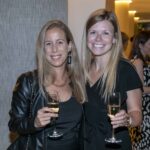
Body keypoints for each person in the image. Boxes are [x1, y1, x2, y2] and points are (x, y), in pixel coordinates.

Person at [7, 20, 86, 150]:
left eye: (60, 42)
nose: (54, 49)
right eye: (48, 44)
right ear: (42, 49)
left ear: (69, 46)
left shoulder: (79, 82)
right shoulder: (28, 81)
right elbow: (14, 124)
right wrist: (35, 123)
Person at [80, 9, 142, 150]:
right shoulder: (82, 71)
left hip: (113, 145)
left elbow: (137, 114)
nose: (98, 39)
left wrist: (127, 119)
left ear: (114, 39)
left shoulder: (125, 69)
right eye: (93, 32)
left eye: (105, 33)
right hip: (85, 144)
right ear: (87, 36)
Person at [129, 30, 150, 149]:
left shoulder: (140, 60)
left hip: (144, 108)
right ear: (141, 45)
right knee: (143, 144)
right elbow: (140, 89)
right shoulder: (138, 61)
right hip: (144, 109)